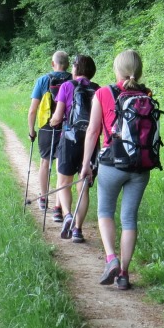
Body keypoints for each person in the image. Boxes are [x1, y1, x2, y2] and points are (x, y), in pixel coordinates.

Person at [80, 50, 153, 290]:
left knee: (105, 212)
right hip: (140, 165)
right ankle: (124, 274)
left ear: (116, 70)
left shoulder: (103, 93)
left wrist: (86, 165)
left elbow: (93, 131)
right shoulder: (147, 94)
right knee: (129, 219)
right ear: (138, 71)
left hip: (112, 163)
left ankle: (111, 258)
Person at [49, 54, 98, 243]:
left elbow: (58, 117)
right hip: (91, 142)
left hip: (69, 139)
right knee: (83, 186)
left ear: (75, 69)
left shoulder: (67, 86)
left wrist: (53, 122)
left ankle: (67, 214)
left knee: (63, 182)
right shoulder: (98, 90)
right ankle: (78, 230)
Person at [27, 50, 71, 219]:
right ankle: (58, 207)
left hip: (46, 126)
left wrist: (31, 131)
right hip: (66, 127)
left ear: (53, 64)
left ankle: (44, 198)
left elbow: (33, 110)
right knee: (61, 165)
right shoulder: (72, 80)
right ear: (67, 65)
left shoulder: (43, 80)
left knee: (45, 161)